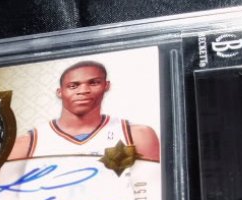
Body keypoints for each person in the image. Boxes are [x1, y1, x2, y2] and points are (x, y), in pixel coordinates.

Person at [8, 60, 160, 161]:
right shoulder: (26, 143)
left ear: (106, 86)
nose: (83, 91)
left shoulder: (137, 135)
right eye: (73, 86)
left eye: (93, 83)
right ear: (60, 92)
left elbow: (153, 193)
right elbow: (8, 197)